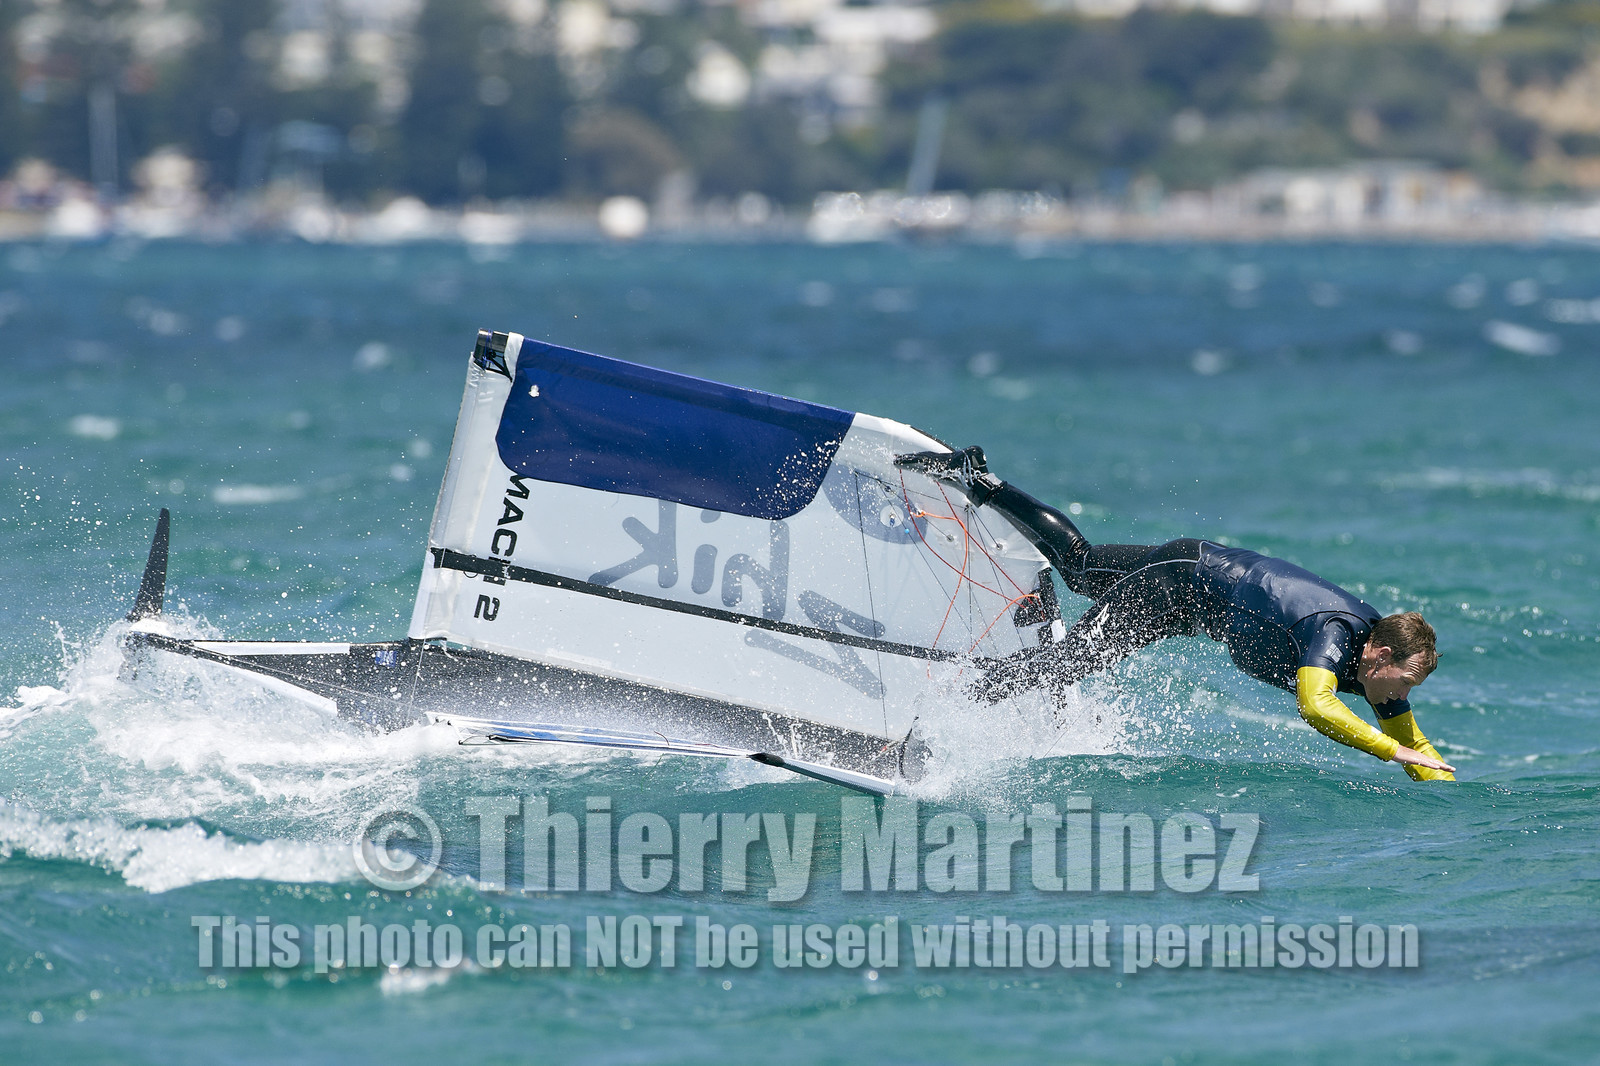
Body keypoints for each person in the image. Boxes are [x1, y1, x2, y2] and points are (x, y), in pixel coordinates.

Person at [896, 446, 1456, 781]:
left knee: (1082, 567)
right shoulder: (1333, 636)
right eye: (1404, 681)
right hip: (1179, 584)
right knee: (1067, 664)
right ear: (1381, 654)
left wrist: (1447, 795)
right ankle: (946, 708)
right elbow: (1315, 706)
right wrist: (1391, 750)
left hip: (1192, 579)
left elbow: (1415, 745)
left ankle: (977, 478)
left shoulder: (1376, 671)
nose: (1402, 696)